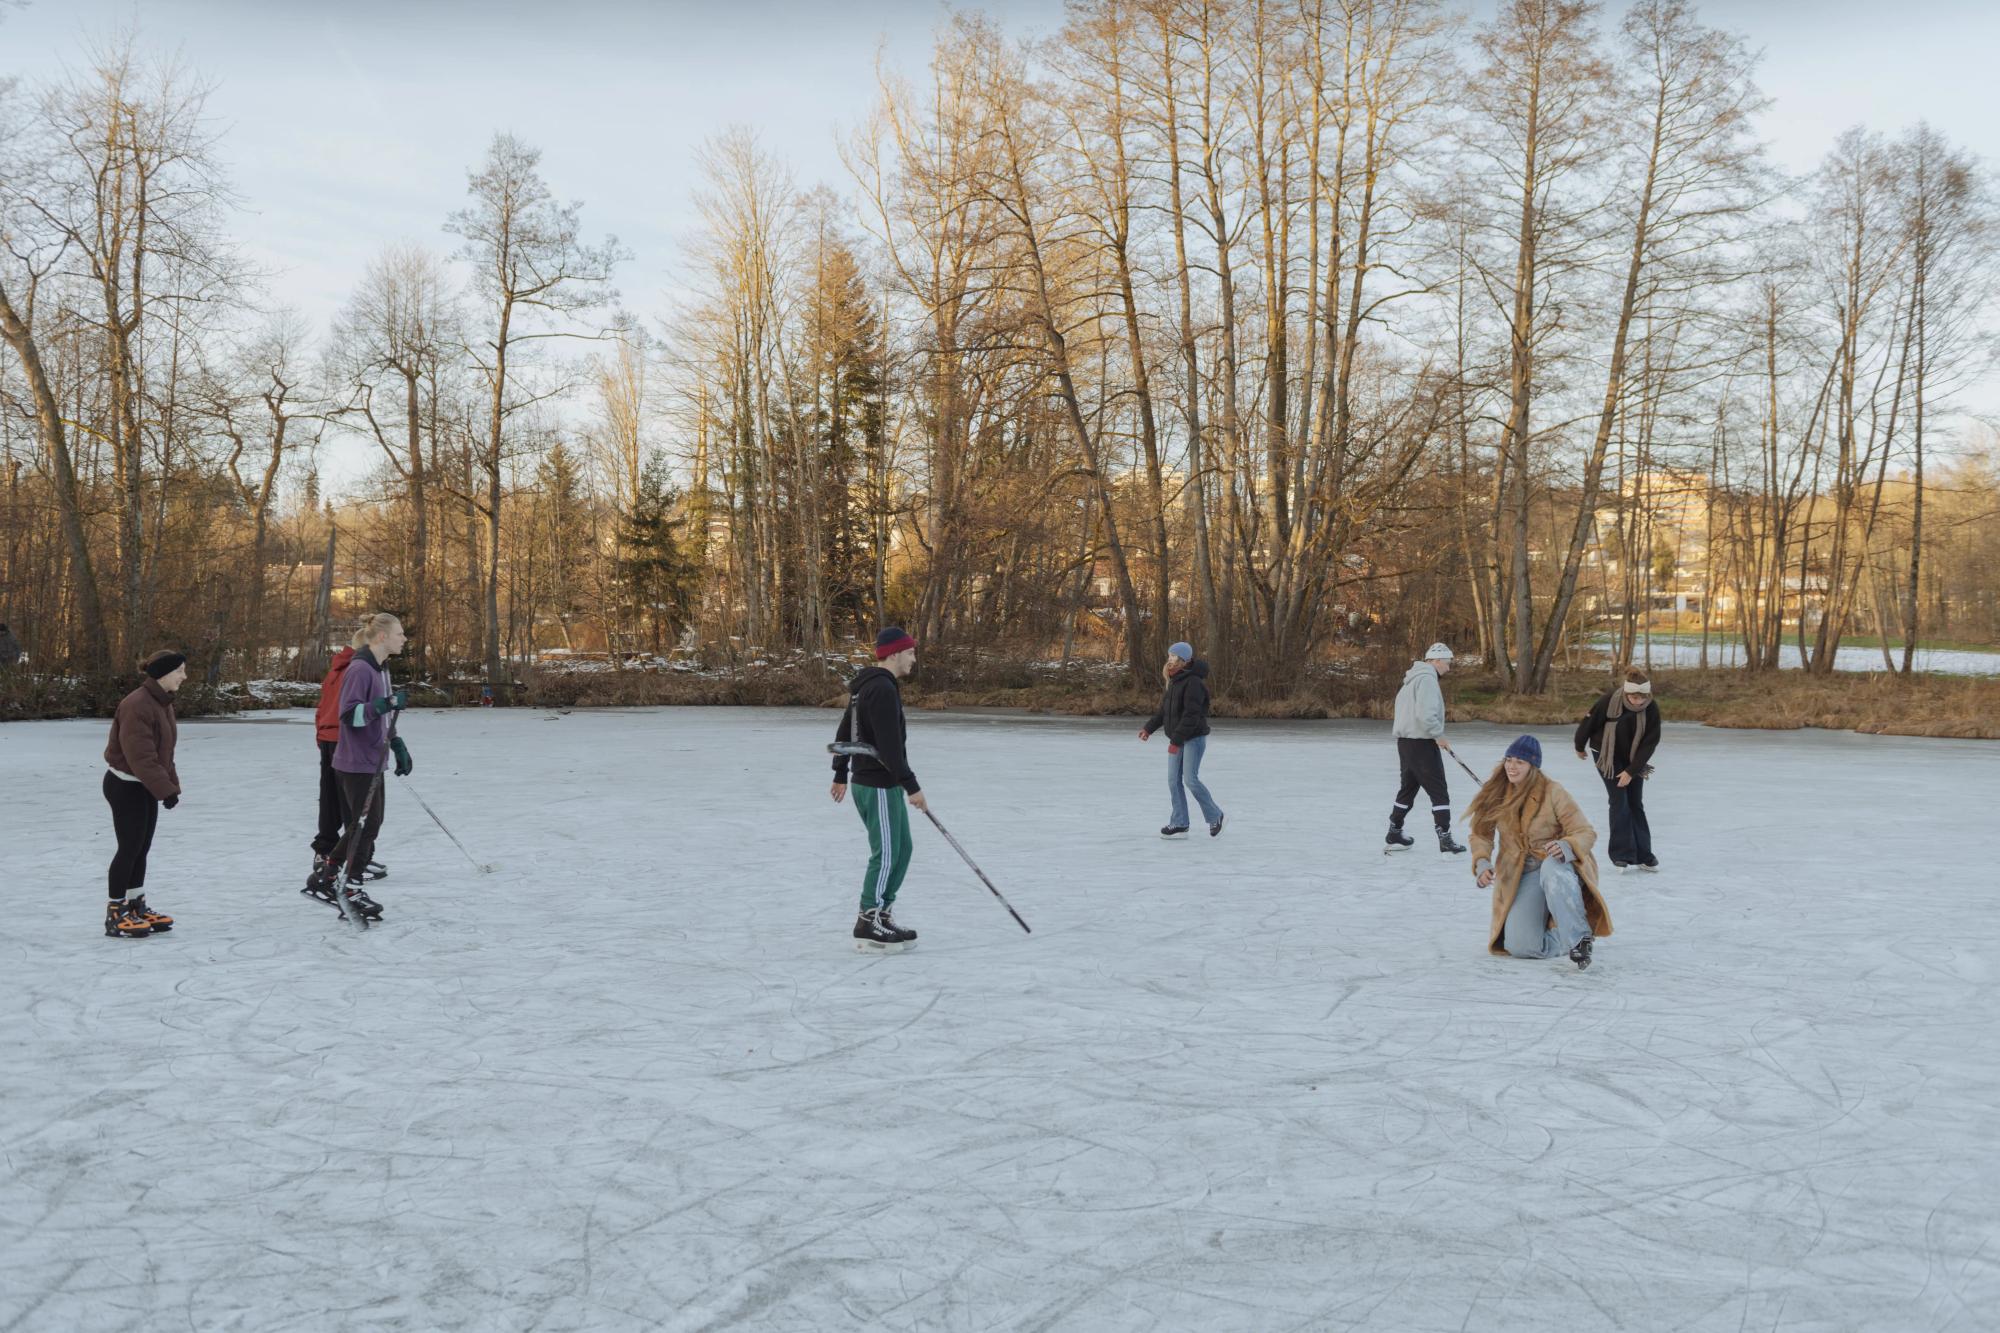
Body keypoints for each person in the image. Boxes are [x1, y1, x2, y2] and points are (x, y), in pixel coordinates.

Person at [1467, 735, 1612, 970]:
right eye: (1509, 760)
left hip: (1559, 865)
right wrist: (1482, 862)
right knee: (1520, 947)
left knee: (1552, 867)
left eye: (1520, 762)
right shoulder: (1496, 793)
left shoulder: (1553, 791)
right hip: (1522, 873)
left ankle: (1579, 938)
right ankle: (1564, 938)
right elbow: (1481, 834)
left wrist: (1566, 845)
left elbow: (1585, 832)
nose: (1512, 767)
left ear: (1532, 766)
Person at [830, 627, 926, 950]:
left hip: (881, 783)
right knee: (886, 853)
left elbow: (845, 729)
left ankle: (883, 914)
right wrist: (912, 786)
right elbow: (889, 747)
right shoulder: (881, 689)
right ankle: (867, 919)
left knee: (903, 849)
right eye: (910, 652)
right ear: (895, 654)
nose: (914, 658)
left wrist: (840, 772)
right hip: (877, 784)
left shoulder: (872, 686)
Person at [320, 613, 413, 919]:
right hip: (355, 761)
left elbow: (381, 716)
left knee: (369, 825)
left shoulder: (381, 668)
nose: (404, 639)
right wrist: (385, 705)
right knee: (363, 827)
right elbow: (350, 716)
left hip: (373, 758)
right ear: (382, 636)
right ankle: (347, 884)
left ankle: (330, 873)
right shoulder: (360, 669)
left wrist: (396, 744)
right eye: (400, 634)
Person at [101, 650, 187, 938]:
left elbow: (164, 754)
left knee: (142, 847)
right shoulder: (137, 705)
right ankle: (115, 911)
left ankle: (136, 905)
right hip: (126, 785)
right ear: (164, 674)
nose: (184, 676)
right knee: (129, 847)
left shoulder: (162, 703)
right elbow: (140, 757)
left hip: (144, 785)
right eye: (180, 671)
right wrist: (164, 790)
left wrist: (170, 787)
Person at [1574, 667, 1662, 872]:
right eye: (1633, 697)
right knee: (1619, 799)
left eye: (1642, 697)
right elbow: (1589, 721)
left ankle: (1643, 855)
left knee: (1635, 803)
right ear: (1626, 692)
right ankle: (1621, 855)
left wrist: (1631, 771)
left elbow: (1649, 743)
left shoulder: (1651, 708)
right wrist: (1579, 745)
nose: (1637, 701)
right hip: (1606, 755)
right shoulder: (1609, 701)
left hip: (1633, 759)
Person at [1385, 642, 1466, 854]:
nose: (1449, 668)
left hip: (1406, 743)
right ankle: (1445, 838)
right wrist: (1438, 735)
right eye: (1447, 663)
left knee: (1408, 788)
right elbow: (1426, 714)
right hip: (1422, 743)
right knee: (1439, 791)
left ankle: (1395, 830)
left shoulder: (1411, 680)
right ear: (1436, 661)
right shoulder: (1428, 680)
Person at [1139, 641, 1225, 839]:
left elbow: (1191, 716)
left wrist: (1176, 740)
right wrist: (1148, 728)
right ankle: (1179, 823)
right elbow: (1165, 712)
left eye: (1173, 658)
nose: (1169, 662)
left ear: (1184, 661)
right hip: (1177, 739)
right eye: (1169, 658)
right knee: (1172, 781)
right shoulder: (1175, 680)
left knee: (1190, 780)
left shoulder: (1193, 682)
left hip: (1193, 738)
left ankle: (1216, 815)